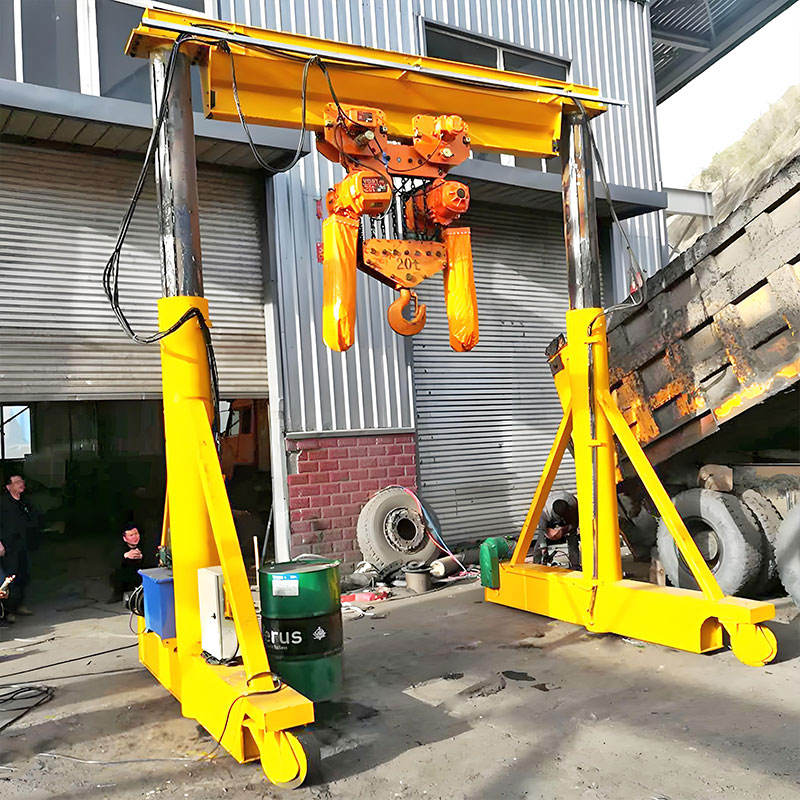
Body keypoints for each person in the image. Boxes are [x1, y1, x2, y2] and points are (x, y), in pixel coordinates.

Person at [0, 474, 38, 621]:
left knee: (23, 575)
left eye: (21, 481)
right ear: (8, 486)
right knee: (10, 578)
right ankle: (8, 611)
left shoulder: (25, 502)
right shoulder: (3, 503)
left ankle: (19, 605)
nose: (21, 484)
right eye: (16, 482)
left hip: (23, 544)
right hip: (8, 546)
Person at [532, 490, 580, 570]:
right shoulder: (544, 512)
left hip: (568, 516)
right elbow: (541, 531)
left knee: (572, 538)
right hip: (549, 518)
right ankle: (536, 566)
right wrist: (544, 548)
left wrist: (565, 530)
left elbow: (575, 524)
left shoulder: (573, 504)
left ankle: (575, 566)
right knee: (539, 545)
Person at [109, 525, 153, 602]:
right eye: (131, 535)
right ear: (125, 538)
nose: (135, 537)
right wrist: (125, 555)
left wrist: (142, 557)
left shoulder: (146, 545)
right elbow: (112, 562)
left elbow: (153, 561)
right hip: (127, 579)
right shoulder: (119, 548)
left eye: (136, 534)